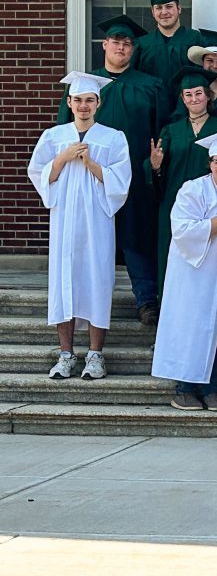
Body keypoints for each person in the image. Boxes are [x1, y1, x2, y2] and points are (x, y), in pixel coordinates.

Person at [56, 15, 165, 326]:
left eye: (127, 43)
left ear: (133, 49)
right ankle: (79, 302)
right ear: (104, 45)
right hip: (86, 178)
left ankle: (146, 300)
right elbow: (63, 132)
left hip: (132, 179)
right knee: (86, 239)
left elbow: (160, 134)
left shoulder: (150, 86)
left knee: (136, 238)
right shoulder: (85, 86)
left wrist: (152, 167)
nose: (121, 46)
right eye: (116, 41)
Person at [29, 72, 131, 380]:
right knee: (64, 282)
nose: (83, 106)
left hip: (97, 220)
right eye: (78, 101)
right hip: (64, 219)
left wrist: (91, 164)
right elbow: (38, 173)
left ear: (98, 103)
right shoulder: (53, 136)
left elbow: (121, 182)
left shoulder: (114, 137)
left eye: (89, 100)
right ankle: (65, 354)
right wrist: (61, 159)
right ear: (69, 102)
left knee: (97, 280)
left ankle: (95, 355)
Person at [151, 131, 217, 410]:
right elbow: (183, 231)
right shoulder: (192, 190)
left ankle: (212, 388)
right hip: (194, 272)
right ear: (210, 163)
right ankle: (183, 389)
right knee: (191, 327)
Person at [147, 66, 217, 294]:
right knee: (172, 257)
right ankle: (169, 308)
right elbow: (157, 175)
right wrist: (155, 166)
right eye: (188, 94)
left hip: (214, 203)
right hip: (176, 204)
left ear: (208, 95)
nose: (194, 98)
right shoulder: (170, 130)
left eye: (198, 93)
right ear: (182, 99)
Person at [131, 0, 204, 115]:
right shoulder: (142, 44)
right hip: (151, 111)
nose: (164, 12)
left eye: (169, 6)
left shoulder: (195, 39)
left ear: (179, 8)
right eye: (159, 8)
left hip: (188, 112)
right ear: (152, 12)